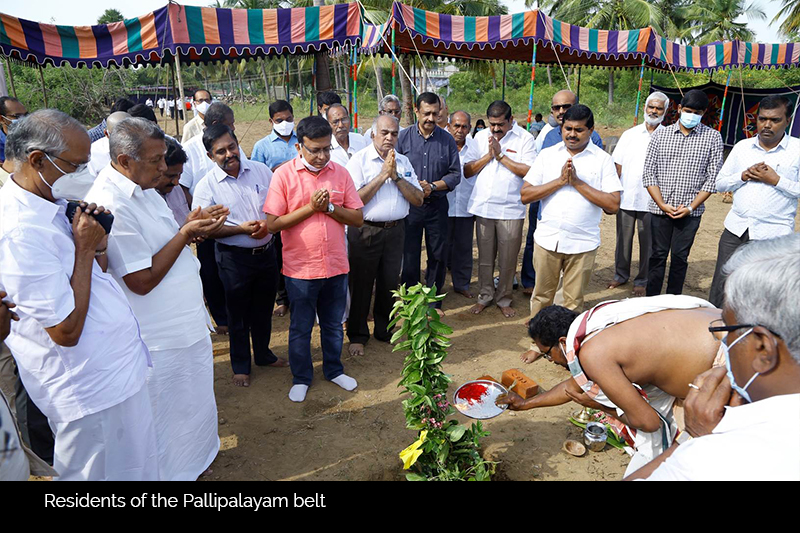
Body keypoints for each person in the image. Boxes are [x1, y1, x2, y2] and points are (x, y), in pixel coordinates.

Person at [0, 109, 159, 480]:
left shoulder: (50, 204)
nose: (85, 174)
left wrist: (97, 247)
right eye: (77, 165)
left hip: (113, 375)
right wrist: (85, 251)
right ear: (37, 160)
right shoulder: (19, 232)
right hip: (87, 391)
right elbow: (66, 331)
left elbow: (91, 281)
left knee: (136, 469)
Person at [85, 117, 225, 480]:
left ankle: (194, 466)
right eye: (156, 161)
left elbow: (163, 244)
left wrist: (191, 224)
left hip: (184, 326)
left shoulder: (144, 187)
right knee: (164, 420)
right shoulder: (110, 201)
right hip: (157, 340)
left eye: (164, 158)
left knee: (193, 410)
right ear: (124, 161)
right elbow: (140, 280)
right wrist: (187, 234)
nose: (164, 169)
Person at [626, 234, 800, 481]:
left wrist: (693, 439)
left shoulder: (714, 461)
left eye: (727, 330)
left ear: (763, 349)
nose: (724, 343)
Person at [498, 295, 724, 476]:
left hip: (728, 362)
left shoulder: (593, 354)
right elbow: (573, 387)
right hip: (722, 322)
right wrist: (526, 404)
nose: (552, 361)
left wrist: (601, 406)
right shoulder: (599, 320)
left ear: (563, 342)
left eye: (548, 355)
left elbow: (648, 422)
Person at [264, 116, 364, 403]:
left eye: (326, 149)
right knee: (301, 327)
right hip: (301, 269)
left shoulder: (340, 173)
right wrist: (310, 208)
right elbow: (272, 224)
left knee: (333, 324)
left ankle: (334, 370)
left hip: (335, 265)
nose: (321, 156)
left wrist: (329, 207)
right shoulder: (283, 175)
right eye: (314, 150)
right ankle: (302, 376)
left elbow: (356, 218)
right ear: (299, 147)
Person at [193, 124, 289, 388]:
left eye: (231, 147)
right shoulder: (206, 186)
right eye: (220, 151)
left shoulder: (261, 171)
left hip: (267, 254)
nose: (229, 154)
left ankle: (263, 354)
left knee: (262, 309)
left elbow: (277, 207)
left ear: (238, 144)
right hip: (233, 259)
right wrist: (240, 229)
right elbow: (203, 229)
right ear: (211, 156)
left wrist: (268, 226)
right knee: (237, 314)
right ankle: (240, 365)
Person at [521, 104, 621, 324]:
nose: (572, 134)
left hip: (582, 243)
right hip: (548, 240)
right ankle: (538, 343)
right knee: (542, 296)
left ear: (591, 130)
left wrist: (576, 183)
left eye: (579, 130)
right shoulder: (547, 155)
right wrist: (559, 182)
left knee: (573, 302)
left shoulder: (602, 160)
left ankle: (565, 344)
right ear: (561, 128)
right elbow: (526, 194)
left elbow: (613, 205)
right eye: (568, 129)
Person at [708, 95, 800, 308]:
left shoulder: (796, 150)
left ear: (788, 120)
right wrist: (743, 176)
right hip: (736, 230)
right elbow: (720, 184)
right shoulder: (742, 147)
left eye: (775, 120)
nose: (767, 125)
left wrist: (777, 180)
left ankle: (753, 334)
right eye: (762, 119)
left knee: (763, 289)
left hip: (773, 234)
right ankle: (715, 331)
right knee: (722, 286)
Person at [345, 115, 423, 357]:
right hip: (365, 230)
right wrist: (382, 176)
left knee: (390, 283)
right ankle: (357, 335)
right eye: (384, 133)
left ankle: (385, 330)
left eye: (394, 133)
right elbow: (354, 200)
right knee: (361, 284)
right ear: (373, 134)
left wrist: (396, 176)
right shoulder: (359, 161)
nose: (389, 138)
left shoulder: (403, 162)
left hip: (396, 230)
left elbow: (418, 199)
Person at [521, 91, 604, 296]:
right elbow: (531, 183)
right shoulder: (548, 137)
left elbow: (610, 202)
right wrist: (559, 182)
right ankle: (531, 285)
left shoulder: (599, 153)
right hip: (546, 215)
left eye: (565, 107)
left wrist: (575, 182)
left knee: (571, 297)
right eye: (556, 107)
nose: (561, 111)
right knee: (541, 285)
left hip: (580, 233)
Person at [642, 89, 724, 297]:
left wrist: (690, 207)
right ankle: (651, 299)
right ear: (679, 109)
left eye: (697, 112)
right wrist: (661, 203)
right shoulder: (661, 133)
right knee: (657, 256)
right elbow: (649, 173)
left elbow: (712, 178)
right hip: (660, 210)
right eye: (688, 110)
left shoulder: (713, 137)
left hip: (690, 213)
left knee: (680, 257)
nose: (691, 115)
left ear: (704, 113)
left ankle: (673, 300)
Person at [465, 101, 536, 318]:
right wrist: (489, 155)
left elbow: (529, 171)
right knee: (485, 258)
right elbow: (467, 170)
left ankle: (504, 298)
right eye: (492, 124)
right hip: (484, 207)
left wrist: (501, 156)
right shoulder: (478, 137)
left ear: (511, 120)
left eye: (500, 124)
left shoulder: (525, 139)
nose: (496, 129)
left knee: (508, 259)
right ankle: (485, 296)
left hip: (511, 210)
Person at [179, 102, 243, 336]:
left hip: (235, 223)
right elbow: (184, 188)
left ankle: (237, 313)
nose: (233, 126)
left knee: (233, 272)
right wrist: (199, 219)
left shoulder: (233, 144)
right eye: (230, 122)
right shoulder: (190, 149)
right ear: (216, 124)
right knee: (210, 271)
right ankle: (221, 318)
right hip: (206, 224)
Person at [396, 92, 461, 315]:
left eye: (436, 113)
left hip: (437, 206)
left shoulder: (447, 139)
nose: (431, 118)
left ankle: (433, 301)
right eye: (426, 113)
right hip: (409, 207)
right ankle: (412, 301)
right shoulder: (402, 138)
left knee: (437, 254)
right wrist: (412, 188)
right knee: (410, 255)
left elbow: (455, 175)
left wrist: (432, 186)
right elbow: (392, 169)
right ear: (416, 111)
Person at [607, 92, 669, 297]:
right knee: (622, 240)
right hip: (626, 197)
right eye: (651, 107)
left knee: (648, 243)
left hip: (652, 201)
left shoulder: (669, 136)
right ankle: (620, 275)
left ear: (665, 112)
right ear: (645, 108)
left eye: (658, 108)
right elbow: (617, 164)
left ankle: (643, 280)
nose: (654, 111)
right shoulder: (630, 134)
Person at [252, 99, 299, 318]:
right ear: (271, 121)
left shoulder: (302, 141)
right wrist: (277, 171)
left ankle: (299, 295)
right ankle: (283, 299)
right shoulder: (262, 146)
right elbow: (256, 179)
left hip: (302, 205)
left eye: (289, 119)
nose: (285, 123)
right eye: (280, 120)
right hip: (278, 208)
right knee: (279, 254)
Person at [445, 110, 479, 298]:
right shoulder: (441, 144)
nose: (460, 130)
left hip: (466, 205)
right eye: (456, 125)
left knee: (464, 248)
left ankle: (461, 284)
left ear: (469, 128)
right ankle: (438, 286)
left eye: (464, 126)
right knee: (441, 248)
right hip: (444, 205)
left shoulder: (476, 147)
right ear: (449, 126)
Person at [155, 137, 192, 227]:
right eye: (170, 176)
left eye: (179, 175)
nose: (176, 182)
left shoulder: (176, 189)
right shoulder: (144, 198)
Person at [88, 111, 130, 177]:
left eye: (130, 135)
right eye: (119, 137)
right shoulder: (93, 155)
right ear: (106, 134)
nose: (125, 141)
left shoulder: (144, 146)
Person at [0, 96, 27, 163]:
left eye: (26, 115)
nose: (24, 119)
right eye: (17, 116)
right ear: (2, 119)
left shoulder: (36, 139)